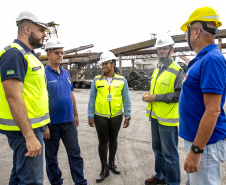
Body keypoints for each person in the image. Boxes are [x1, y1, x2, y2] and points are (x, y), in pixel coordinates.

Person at [0, 11, 50, 185]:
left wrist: (43, 126)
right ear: (27, 29)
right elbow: (13, 97)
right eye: (41, 30)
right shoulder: (14, 54)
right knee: (32, 181)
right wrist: (29, 136)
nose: (44, 34)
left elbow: (35, 94)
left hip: (33, 127)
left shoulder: (29, 55)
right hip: (24, 131)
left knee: (19, 177)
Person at [179, 6, 226, 185]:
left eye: (187, 32)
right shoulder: (202, 59)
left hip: (205, 146)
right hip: (198, 142)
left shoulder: (211, 60)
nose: (186, 36)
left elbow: (213, 110)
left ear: (196, 31)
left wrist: (196, 151)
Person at [43, 38, 87, 185]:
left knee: (75, 155)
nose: (60, 55)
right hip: (51, 125)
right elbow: (40, 100)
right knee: (51, 158)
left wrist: (75, 114)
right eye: (57, 52)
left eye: (62, 53)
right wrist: (44, 125)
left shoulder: (66, 74)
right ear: (48, 54)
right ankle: (56, 182)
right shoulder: (42, 75)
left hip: (69, 123)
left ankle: (80, 182)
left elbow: (71, 94)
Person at [142, 34, 184, 185]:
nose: (161, 51)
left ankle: (173, 182)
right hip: (155, 117)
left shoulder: (176, 70)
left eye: (164, 48)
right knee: (157, 150)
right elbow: (155, 90)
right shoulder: (157, 70)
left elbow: (179, 94)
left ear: (171, 50)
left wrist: (156, 97)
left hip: (167, 119)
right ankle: (161, 176)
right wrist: (147, 95)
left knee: (170, 154)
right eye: (159, 49)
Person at [88, 51, 131, 183]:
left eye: (106, 63)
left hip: (117, 116)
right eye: (102, 64)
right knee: (103, 141)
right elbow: (92, 99)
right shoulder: (97, 80)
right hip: (100, 115)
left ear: (113, 64)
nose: (103, 66)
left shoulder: (122, 80)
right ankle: (104, 168)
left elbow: (126, 99)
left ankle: (112, 164)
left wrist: (128, 114)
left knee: (113, 140)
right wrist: (90, 115)